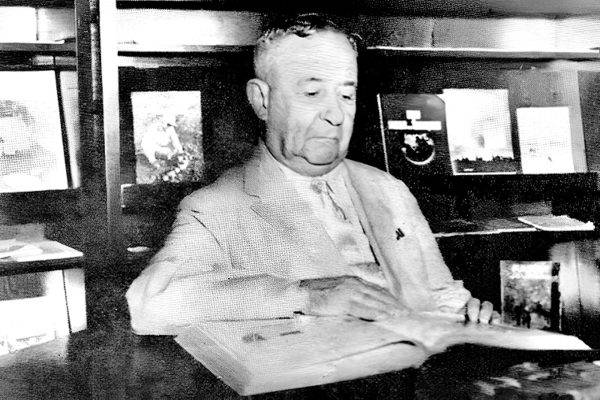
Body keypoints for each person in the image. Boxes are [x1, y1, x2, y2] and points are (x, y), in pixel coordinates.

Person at [126, 14, 499, 335]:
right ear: (262, 100)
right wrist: (304, 295)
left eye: (346, 96)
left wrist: (467, 313)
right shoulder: (215, 207)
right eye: (312, 93)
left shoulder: (389, 188)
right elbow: (149, 304)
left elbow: (439, 293)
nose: (335, 115)